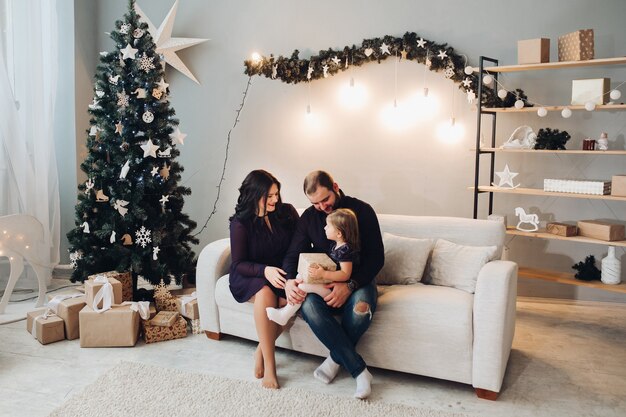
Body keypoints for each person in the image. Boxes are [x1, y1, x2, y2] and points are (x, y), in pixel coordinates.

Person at [282, 170, 384, 399]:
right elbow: (292, 253)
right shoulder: (309, 217)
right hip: (325, 281)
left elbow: (377, 258)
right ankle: (360, 371)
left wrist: (350, 285)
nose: (322, 207)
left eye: (325, 199)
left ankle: (334, 360)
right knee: (307, 306)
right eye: (315, 203)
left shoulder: (362, 210)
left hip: (360, 279)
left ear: (336, 187)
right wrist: (290, 280)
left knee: (360, 310)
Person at [228, 170, 299, 389]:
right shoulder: (240, 224)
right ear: (254, 195)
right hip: (250, 275)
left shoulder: (286, 213)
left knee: (291, 301)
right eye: (269, 196)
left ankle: (261, 348)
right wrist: (265, 270)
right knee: (265, 292)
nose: (275, 200)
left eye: (276, 194)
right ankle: (271, 365)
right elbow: (238, 263)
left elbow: (299, 247)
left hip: (281, 274)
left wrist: (290, 276)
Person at [266, 208, 359, 326]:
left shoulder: (345, 250)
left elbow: (345, 274)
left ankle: (285, 314)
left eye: (328, 226)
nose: (324, 228)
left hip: (332, 292)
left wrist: (324, 274)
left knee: (302, 286)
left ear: (339, 233)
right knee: (300, 276)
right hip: (328, 284)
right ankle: (288, 310)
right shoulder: (336, 245)